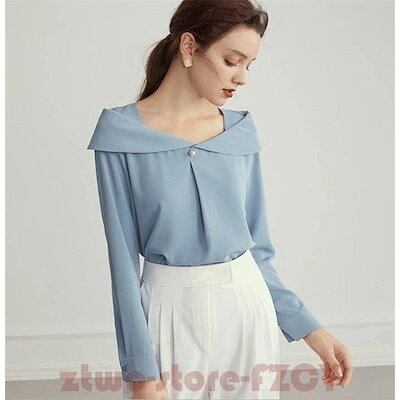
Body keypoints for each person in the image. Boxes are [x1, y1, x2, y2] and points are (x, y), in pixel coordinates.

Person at [87, 0, 353, 399]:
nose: (241, 77)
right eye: (232, 60)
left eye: (249, 65)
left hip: (245, 309)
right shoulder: (121, 134)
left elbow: (257, 250)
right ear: (189, 46)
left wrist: (310, 329)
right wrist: (140, 372)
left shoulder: (239, 133)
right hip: (166, 312)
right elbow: (122, 263)